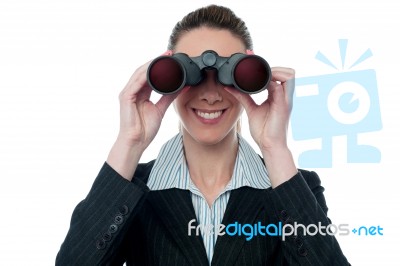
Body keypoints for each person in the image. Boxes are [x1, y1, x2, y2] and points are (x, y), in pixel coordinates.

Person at [56, 4, 350, 266]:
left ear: (249, 77)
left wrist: (275, 149)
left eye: (228, 74)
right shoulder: (133, 191)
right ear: (167, 75)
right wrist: (129, 143)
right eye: (191, 73)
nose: (210, 95)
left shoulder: (294, 186)